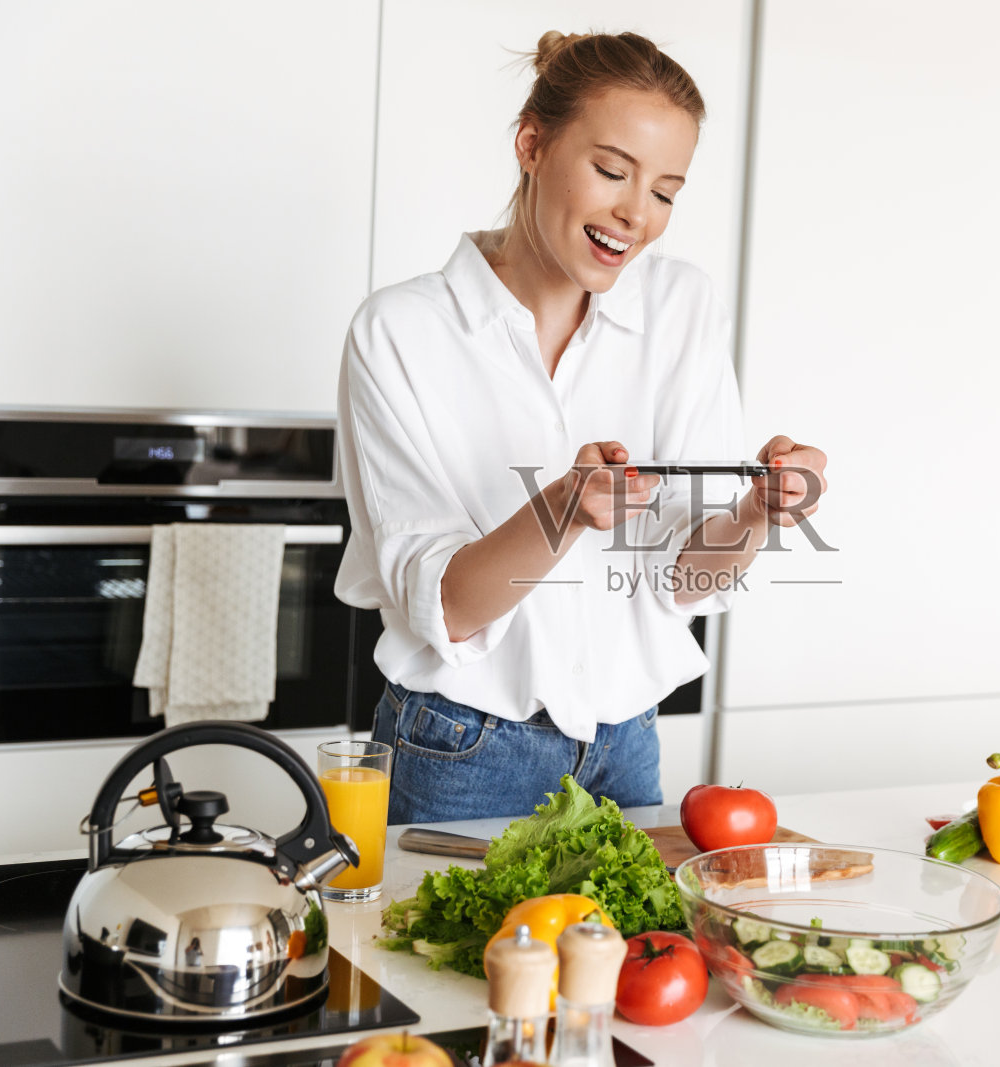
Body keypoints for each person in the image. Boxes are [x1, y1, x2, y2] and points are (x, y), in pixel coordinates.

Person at [334, 30, 829, 824]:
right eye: (611, 171)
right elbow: (449, 605)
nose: (636, 215)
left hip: (625, 743)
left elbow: (683, 579)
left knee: (633, 952)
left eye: (666, 191)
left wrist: (755, 516)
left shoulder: (682, 308)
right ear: (532, 143)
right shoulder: (401, 332)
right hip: (461, 748)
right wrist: (560, 508)